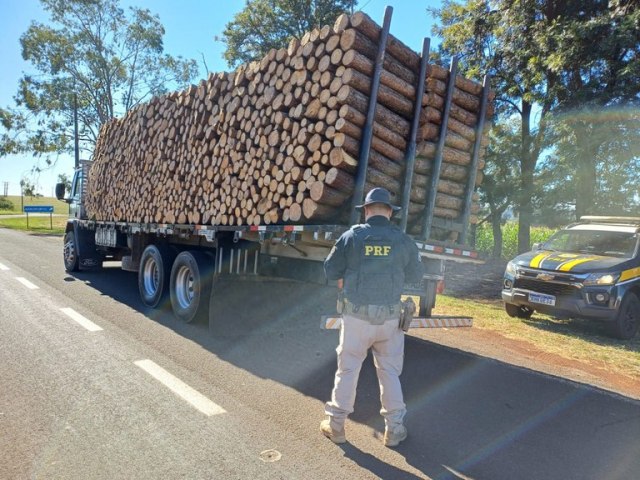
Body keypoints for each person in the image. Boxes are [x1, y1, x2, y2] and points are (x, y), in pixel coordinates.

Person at [320, 187, 425, 447]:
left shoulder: (351, 236)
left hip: (356, 319)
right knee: (389, 372)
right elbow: (416, 276)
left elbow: (330, 270)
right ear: (389, 212)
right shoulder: (403, 240)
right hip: (390, 321)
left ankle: (336, 427)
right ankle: (394, 430)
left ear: (366, 211)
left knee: (348, 370)